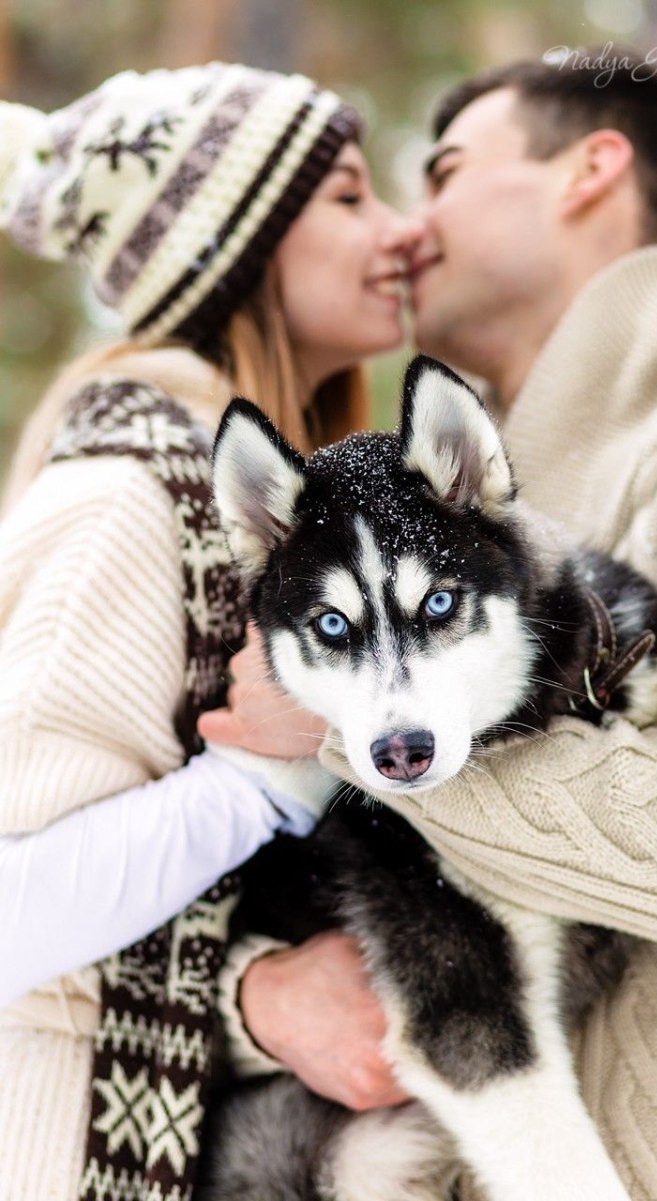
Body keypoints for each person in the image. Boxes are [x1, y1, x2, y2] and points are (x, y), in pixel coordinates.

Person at [211, 57, 657, 1200]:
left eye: (439, 173)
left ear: (590, 167)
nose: (402, 225)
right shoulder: (367, 509)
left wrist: (367, 740)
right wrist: (258, 996)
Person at [0, 62, 420, 1201]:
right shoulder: (123, 505)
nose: (403, 231)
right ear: (227, 245)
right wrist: (257, 784)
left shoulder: (295, 512)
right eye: (346, 197)